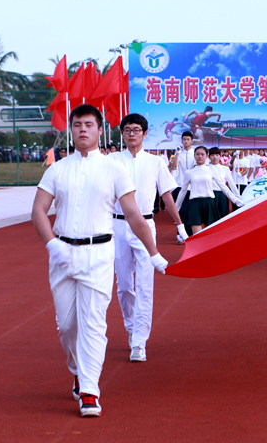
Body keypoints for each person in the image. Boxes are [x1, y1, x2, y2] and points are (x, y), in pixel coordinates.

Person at [32, 104, 168, 418]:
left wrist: (154, 252)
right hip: (63, 255)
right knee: (66, 326)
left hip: (99, 253)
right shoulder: (58, 169)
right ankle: (78, 370)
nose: (82, 129)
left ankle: (90, 389)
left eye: (89, 124)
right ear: (70, 129)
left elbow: (134, 214)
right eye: (77, 124)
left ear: (99, 130)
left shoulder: (113, 169)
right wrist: (52, 244)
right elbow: (39, 210)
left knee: (93, 322)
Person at [110, 114, 186, 363]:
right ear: (122, 134)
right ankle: (131, 327)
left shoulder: (155, 162)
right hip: (118, 226)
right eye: (127, 130)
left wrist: (180, 225)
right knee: (123, 286)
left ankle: (139, 341)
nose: (132, 134)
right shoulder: (111, 161)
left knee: (145, 285)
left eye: (136, 130)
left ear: (145, 133)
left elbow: (167, 196)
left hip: (145, 226)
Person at [175, 146, 243, 235]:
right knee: (197, 236)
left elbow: (224, 187)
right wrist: (176, 208)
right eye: (198, 154)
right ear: (194, 156)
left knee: (210, 236)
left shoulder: (211, 170)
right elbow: (183, 191)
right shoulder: (189, 172)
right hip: (194, 204)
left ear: (206, 156)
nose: (200, 156)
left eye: (202, 154)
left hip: (209, 203)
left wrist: (236, 200)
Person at [209, 147, 240, 219]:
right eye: (212, 155)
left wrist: (237, 196)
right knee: (211, 218)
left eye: (217, 155)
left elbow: (231, 183)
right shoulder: (206, 168)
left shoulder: (225, 169)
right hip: (210, 195)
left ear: (220, 156)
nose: (214, 157)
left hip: (223, 194)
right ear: (209, 156)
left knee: (223, 217)